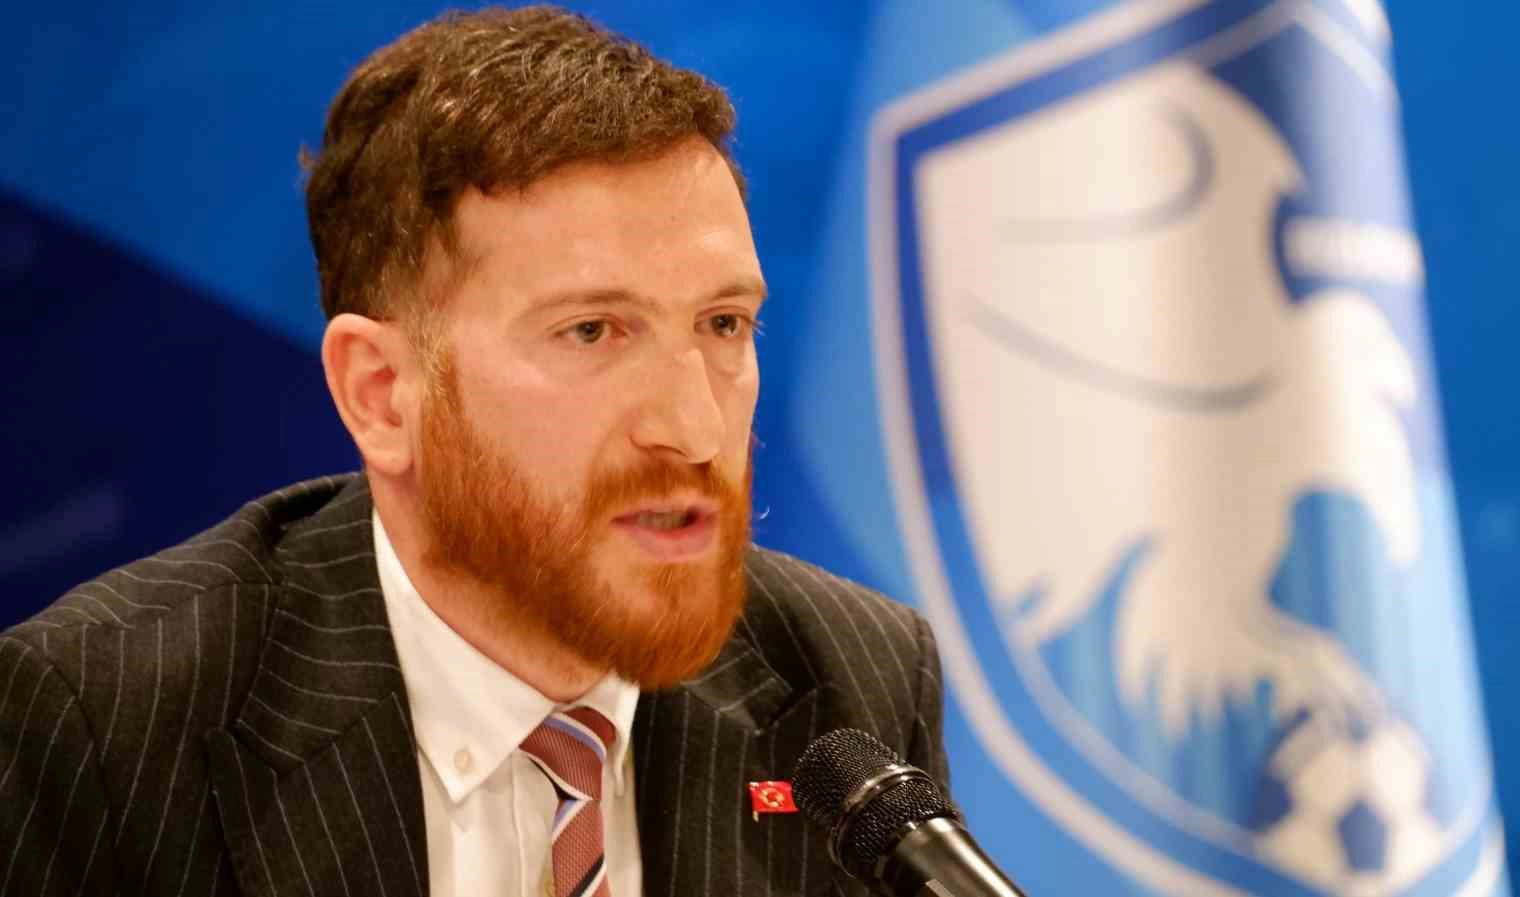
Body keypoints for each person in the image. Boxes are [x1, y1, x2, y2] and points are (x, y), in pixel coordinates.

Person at [0, 7, 948, 897]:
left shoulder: (853, 682)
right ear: (380, 393)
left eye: (724, 322)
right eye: (591, 331)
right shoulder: (105, 723)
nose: (697, 430)